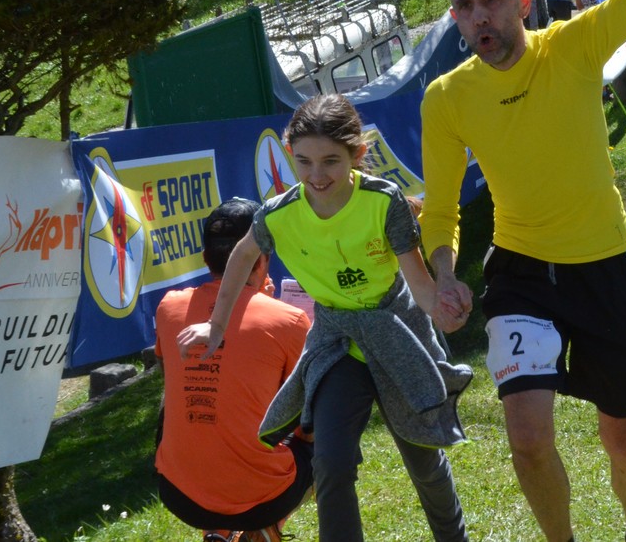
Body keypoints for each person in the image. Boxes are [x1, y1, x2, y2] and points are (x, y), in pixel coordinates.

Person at [420, 0, 626, 542]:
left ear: (523, 1)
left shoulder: (573, 45)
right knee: (527, 440)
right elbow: (439, 209)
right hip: (521, 270)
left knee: (623, 440)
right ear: (454, 19)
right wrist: (443, 274)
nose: (479, 16)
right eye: (464, 6)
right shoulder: (446, 98)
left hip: (604, 262)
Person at [176, 95, 474, 542]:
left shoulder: (383, 201)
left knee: (424, 461)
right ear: (289, 154)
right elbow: (242, 254)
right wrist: (216, 326)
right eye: (304, 161)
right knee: (330, 463)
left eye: (330, 161)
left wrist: (444, 311)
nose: (317, 175)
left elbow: (420, 287)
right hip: (339, 344)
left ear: (357, 154)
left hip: (398, 335)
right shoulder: (279, 214)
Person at [155, 198, 314, 542]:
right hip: (263, 500)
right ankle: (269, 528)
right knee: (321, 415)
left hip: (179, 495)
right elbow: (306, 407)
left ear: (205, 258)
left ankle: (216, 531)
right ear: (263, 258)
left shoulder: (168, 307)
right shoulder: (289, 320)